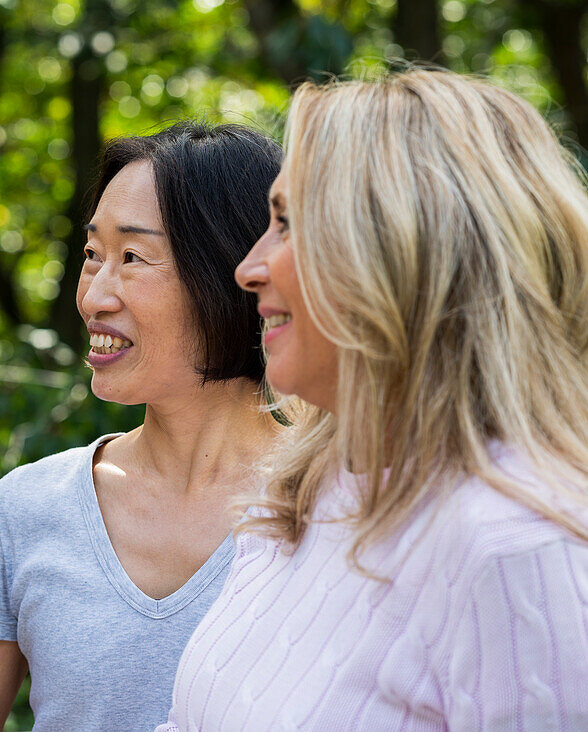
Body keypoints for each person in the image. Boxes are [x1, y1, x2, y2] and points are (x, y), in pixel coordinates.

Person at [161, 70, 588, 731]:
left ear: (401, 251)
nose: (248, 267)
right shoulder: (305, 491)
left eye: (288, 223)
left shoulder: (517, 548)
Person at [0, 122, 284, 731]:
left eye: (133, 257)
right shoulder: (27, 509)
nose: (94, 296)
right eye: (93, 256)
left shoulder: (346, 509)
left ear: (232, 272)